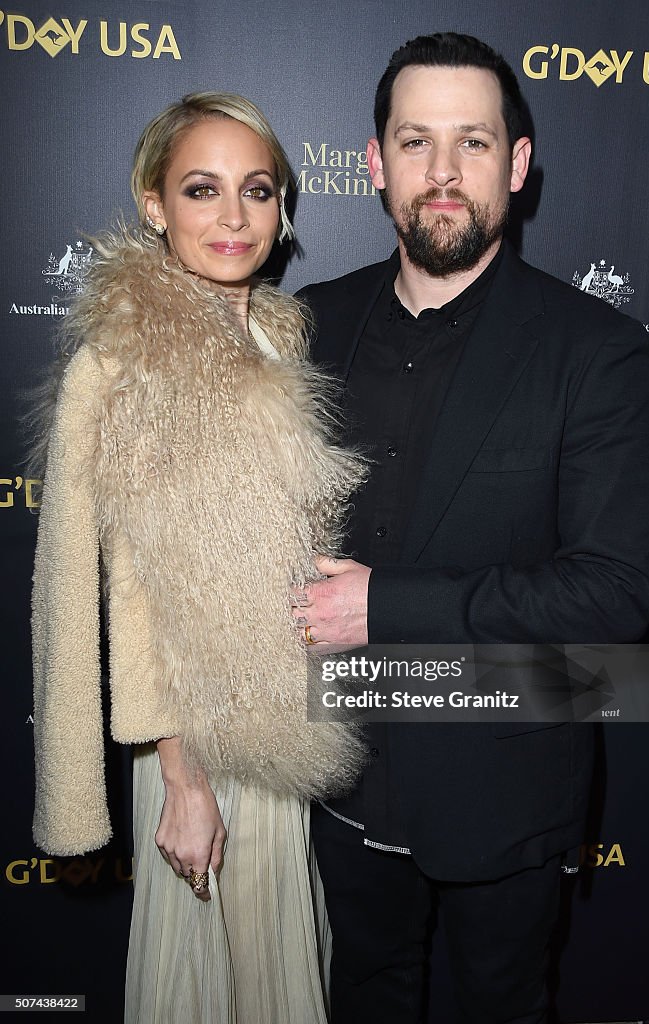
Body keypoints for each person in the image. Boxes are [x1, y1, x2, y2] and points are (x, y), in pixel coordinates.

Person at [294, 33, 649, 1024]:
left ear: (515, 162)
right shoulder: (308, 325)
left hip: (501, 796)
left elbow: (613, 594)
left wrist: (381, 604)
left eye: (472, 142)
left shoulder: (596, 354)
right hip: (333, 778)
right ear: (374, 164)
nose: (443, 173)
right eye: (415, 142)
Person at [30, 92, 366, 1024]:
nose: (232, 216)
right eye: (201, 189)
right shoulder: (133, 354)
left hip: (282, 718)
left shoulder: (274, 334)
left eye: (255, 190)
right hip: (199, 737)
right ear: (154, 205)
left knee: (275, 973)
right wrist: (181, 781)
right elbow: (133, 588)